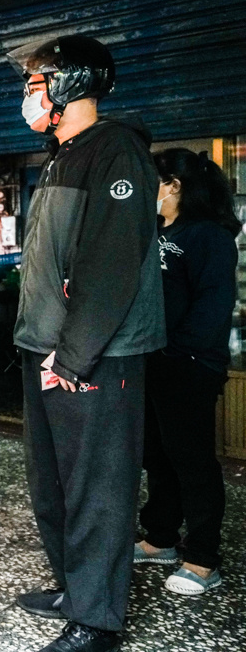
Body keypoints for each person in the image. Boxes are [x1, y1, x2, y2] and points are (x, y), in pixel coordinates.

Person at [9, 36, 165, 652]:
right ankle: (75, 589)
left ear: (70, 84)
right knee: (52, 483)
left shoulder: (117, 151)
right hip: (43, 346)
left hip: (94, 355)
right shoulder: (59, 155)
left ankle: (98, 623)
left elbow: (112, 263)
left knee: (98, 487)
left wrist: (74, 356)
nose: (26, 96)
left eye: (34, 83)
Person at [134, 148, 239, 596]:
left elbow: (214, 306)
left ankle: (203, 557)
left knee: (191, 459)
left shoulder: (208, 236)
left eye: (152, 179)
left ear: (173, 185)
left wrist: (182, 354)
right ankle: (161, 537)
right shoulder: (157, 230)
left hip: (190, 365)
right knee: (157, 455)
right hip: (151, 360)